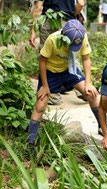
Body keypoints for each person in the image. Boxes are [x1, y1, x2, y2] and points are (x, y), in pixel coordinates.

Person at [27, 19, 100, 153]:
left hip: (69, 70)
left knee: (92, 94)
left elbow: (86, 58)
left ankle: (102, 126)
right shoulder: (53, 39)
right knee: (40, 104)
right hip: (50, 72)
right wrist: (45, 86)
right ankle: (31, 142)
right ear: (63, 38)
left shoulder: (81, 37)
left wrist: (88, 83)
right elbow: (42, 61)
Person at [29, 0, 86, 105]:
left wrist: (32, 31)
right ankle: (82, 89)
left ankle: (49, 91)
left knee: (45, 56)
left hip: (47, 19)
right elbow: (81, 3)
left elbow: (37, 7)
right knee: (70, 54)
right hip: (66, 21)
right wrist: (71, 15)